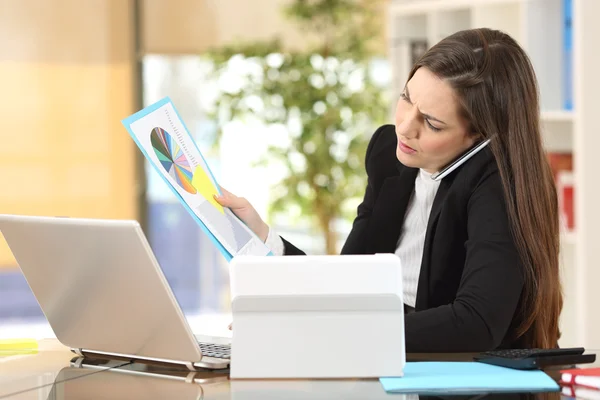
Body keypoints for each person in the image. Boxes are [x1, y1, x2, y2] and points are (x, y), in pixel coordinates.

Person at [215, 28, 563, 353]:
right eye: (406, 99)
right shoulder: (390, 156)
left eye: (432, 122)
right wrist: (263, 237)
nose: (405, 127)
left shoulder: (499, 184)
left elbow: (476, 323)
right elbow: (348, 281)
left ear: (479, 138)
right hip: (382, 361)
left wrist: (330, 329)